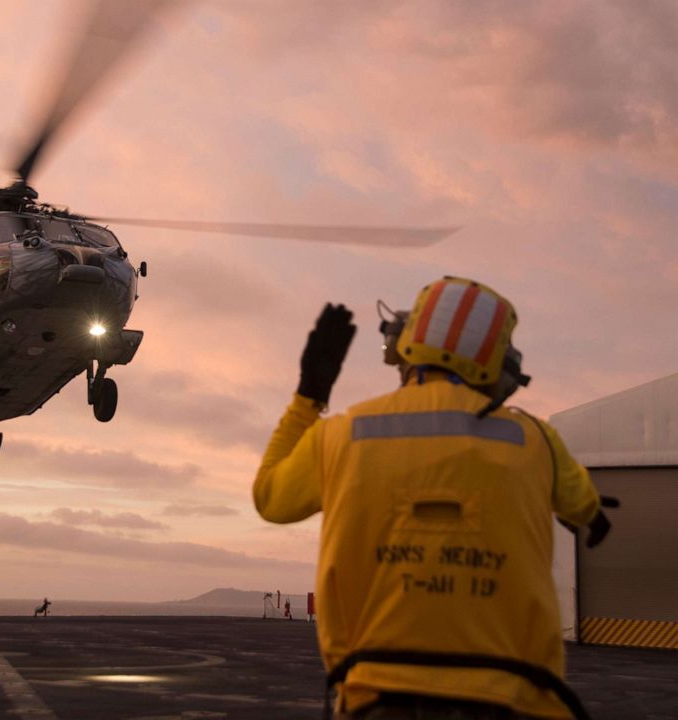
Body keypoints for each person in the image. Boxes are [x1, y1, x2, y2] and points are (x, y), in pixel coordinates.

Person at [254, 277, 615, 720]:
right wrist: (593, 516)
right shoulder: (537, 441)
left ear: (402, 346)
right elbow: (583, 505)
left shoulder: (344, 433)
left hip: (377, 696)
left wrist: (309, 395)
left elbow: (270, 498)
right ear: (500, 365)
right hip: (517, 698)